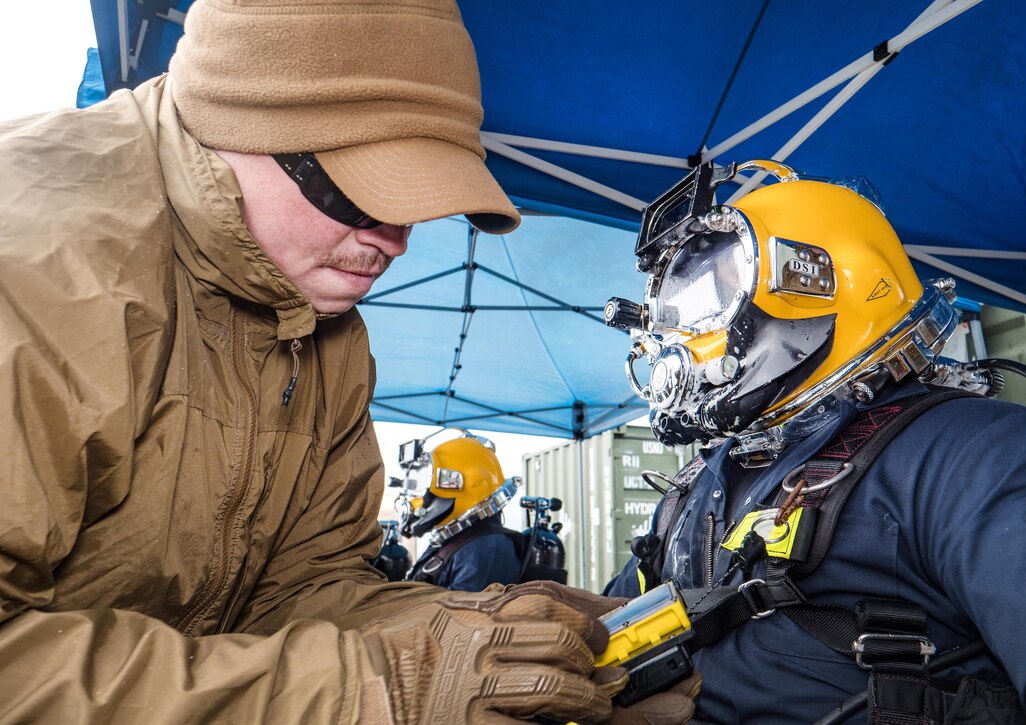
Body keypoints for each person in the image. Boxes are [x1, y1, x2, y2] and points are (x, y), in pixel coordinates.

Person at [0, 1, 701, 722]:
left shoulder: (325, 329)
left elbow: (298, 588)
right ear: (240, 120)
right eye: (362, 193)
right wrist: (368, 693)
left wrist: (466, 634)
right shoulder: (35, 258)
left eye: (413, 202)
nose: (395, 239)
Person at [603, 159, 1026, 723]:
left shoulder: (978, 453)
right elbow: (608, 622)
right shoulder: (698, 483)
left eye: (710, 296)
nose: (680, 333)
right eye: (673, 311)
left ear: (814, 278)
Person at [396, 430, 525, 591]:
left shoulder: (484, 548)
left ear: (469, 483)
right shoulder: (456, 540)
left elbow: (461, 614)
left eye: (424, 480)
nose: (417, 495)